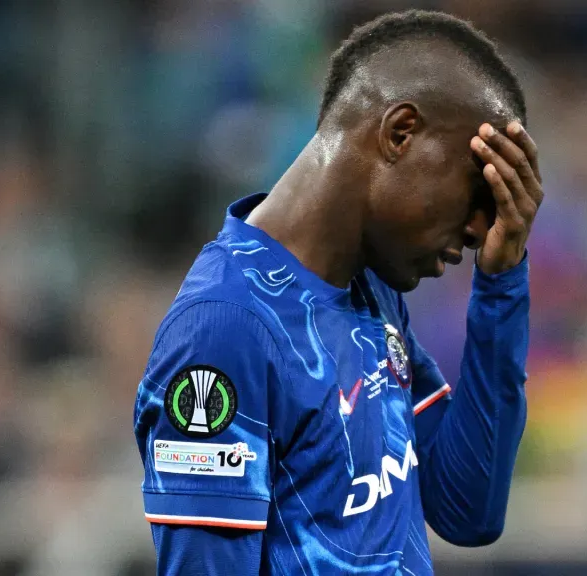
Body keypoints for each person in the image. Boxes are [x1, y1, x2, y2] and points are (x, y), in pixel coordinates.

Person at [133, 9, 543, 575]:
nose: (480, 231)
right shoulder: (226, 327)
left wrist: (501, 285)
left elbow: (466, 509)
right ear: (400, 133)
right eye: (477, 191)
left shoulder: (368, 287)